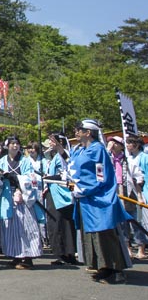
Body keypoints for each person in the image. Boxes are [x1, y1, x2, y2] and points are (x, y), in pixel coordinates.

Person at [70, 119, 132, 284]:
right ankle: (102, 267)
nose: (76, 132)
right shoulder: (81, 150)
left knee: (104, 233)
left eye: (79, 129)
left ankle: (116, 270)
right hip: (86, 199)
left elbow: (100, 175)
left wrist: (85, 188)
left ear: (88, 132)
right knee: (92, 235)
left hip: (99, 198)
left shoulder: (98, 150)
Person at [0, 135, 42, 269]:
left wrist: (18, 184)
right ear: (7, 146)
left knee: (26, 227)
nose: (15, 146)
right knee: (9, 226)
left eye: (17, 143)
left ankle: (27, 257)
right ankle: (15, 254)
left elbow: (30, 177)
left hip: (23, 196)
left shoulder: (25, 161)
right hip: (7, 196)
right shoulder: (2, 161)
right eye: (12, 143)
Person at [42, 133, 78, 265]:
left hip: (62, 193)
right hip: (53, 192)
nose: (51, 144)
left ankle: (68, 253)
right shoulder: (53, 157)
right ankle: (61, 253)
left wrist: (51, 178)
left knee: (64, 223)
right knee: (56, 223)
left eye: (53, 141)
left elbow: (66, 170)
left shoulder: (64, 155)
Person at [125, 135, 148, 259]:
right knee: (133, 222)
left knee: (140, 221)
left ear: (137, 144)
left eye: (130, 143)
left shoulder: (145, 157)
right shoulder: (128, 159)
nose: (127, 145)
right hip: (131, 193)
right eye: (127, 143)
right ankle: (135, 248)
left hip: (142, 192)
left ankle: (142, 249)